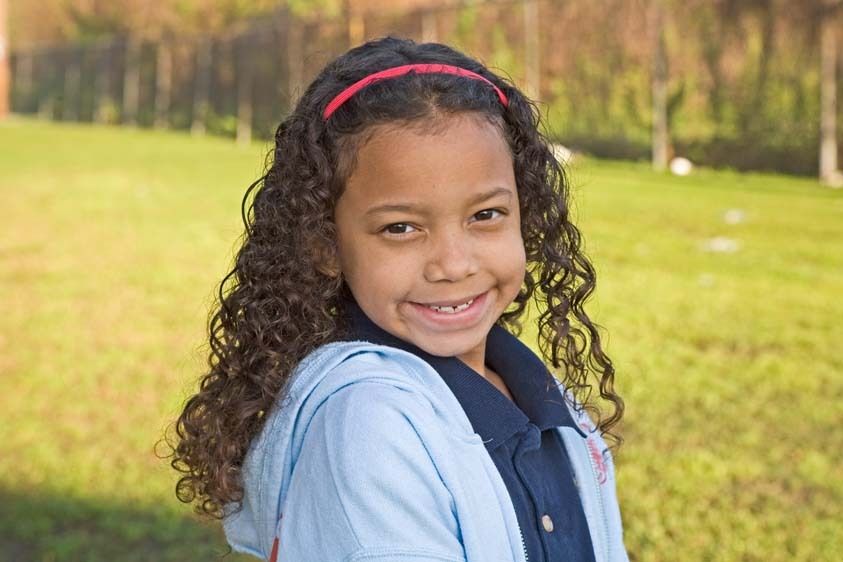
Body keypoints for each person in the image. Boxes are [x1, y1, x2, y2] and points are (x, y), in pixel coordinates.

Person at [169, 36, 627, 562]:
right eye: (401, 227)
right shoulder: (368, 426)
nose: (454, 264)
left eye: (485, 215)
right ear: (326, 246)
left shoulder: (544, 397)